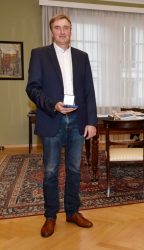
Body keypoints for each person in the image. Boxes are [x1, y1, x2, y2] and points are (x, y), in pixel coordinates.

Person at [26, 14, 97, 237]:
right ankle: (50, 216)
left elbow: (89, 91)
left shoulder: (82, 57)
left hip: (77, 120)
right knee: (50, 171)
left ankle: (73, 212)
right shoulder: (39, 55)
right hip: (52, 118)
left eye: (66, 27)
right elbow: (32, 88)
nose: (62, 31)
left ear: (71, 30)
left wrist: (92, 121)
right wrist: (52, 105)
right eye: (57, 27)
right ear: (52, 31)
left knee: (75, 169)